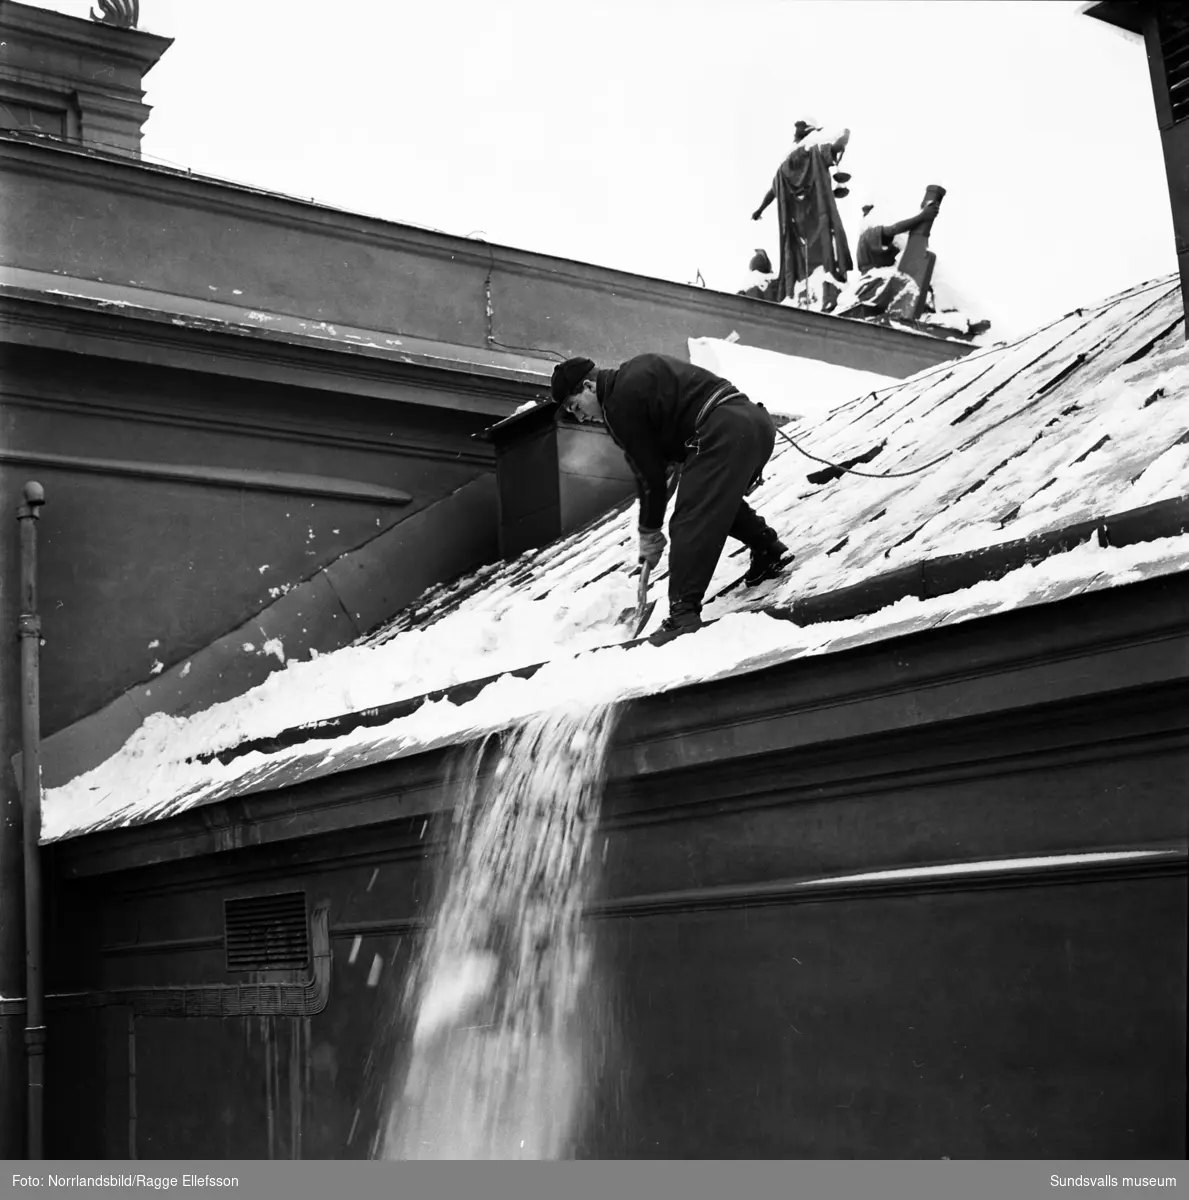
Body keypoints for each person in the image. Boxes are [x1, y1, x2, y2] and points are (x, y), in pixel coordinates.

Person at [549, 354, 791, 644]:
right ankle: (767, 549)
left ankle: (682, 615)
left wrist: (649, 531)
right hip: (753, 424)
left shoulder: (616, 404)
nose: (580, 416)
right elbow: (663, 454)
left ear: (588, 386)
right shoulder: (634, 373)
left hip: (722, 429)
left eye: (575, 407)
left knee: (689, 519)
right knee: (711, 498)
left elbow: (649, 474)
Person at [751, 119, 853, 303]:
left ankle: (804, 284)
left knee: (800, 259)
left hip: (796, 224)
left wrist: (760, 209)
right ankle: (821, 281)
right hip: (817, 216)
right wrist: (844, 138)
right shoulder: (812, 150)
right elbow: (834, 149)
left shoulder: (785, 166)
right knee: (823, 256)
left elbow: (773, 191)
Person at [855, 198, 941, 274]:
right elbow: (893, 229)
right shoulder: (870, 233)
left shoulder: (868, 236)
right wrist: (922, 217)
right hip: (876, 280)